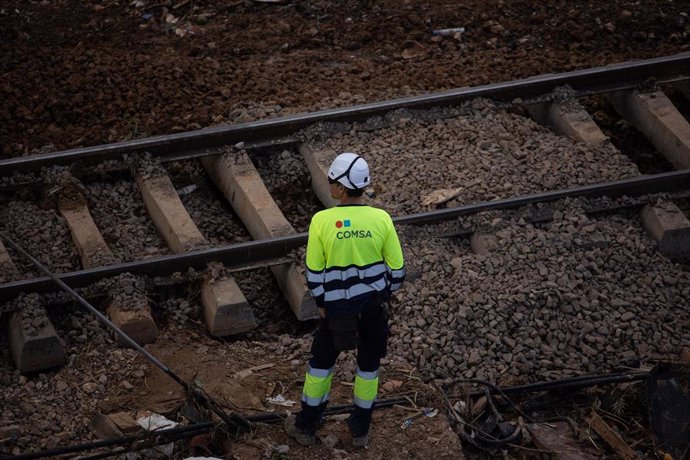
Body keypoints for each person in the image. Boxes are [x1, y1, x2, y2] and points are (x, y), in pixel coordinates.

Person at [285, 152, 406, 447]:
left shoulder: (322, 221)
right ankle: (360, 430)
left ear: (340, 187)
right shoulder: (381, 218)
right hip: (373, 308)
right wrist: (380, 296)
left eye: (331, 181)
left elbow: (314, 273)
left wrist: (324, 304)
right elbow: (399, 271)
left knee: (321, 364)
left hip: (336, 309)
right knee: (368, 367)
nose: (329, 186)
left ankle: (306, 425)